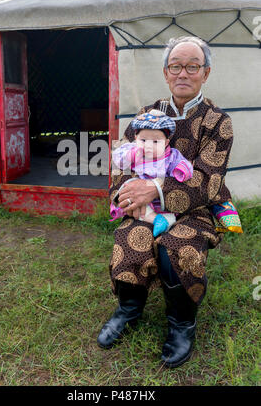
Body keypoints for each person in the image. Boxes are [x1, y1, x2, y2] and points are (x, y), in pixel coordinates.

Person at [97, 35, 237, 368]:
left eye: (192, 66)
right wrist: (125, 193)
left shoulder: (218, 122)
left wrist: (157, 190)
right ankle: (129, 310)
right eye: (176, 66)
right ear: (165, 73)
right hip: (146, 208)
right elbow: (123, 160)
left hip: (196, 209)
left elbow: (208, 179)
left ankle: (181, 323)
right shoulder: (147, 114)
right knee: (132, 237)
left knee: (179, 245)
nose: (183, 74)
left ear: (206, 72)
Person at [110, 109, 193, 237]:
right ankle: (156, 220)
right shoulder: (131, 149)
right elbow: (118, 159)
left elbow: (184, 165)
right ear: (135, 138)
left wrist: (180, 171)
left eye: (155, 142)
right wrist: (130, 156)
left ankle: (164, 226)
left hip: (159, 198)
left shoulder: (171, 155)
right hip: (137, 193)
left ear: (166, 143)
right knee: (133, 202)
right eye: (143, 141)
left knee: (170, 217)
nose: (148, 145)